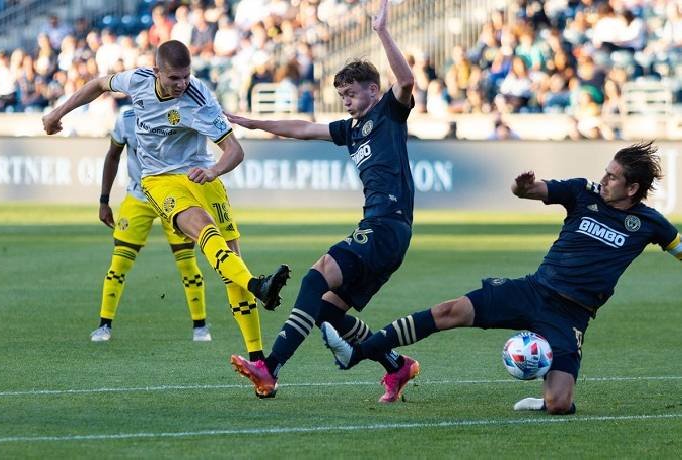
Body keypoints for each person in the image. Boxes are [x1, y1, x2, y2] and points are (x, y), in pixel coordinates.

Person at [322, 142, 681, 412]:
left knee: (559, 404)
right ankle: (356, 354)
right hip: (533, 290)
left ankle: (542, 399)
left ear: (632, 188)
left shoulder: (650, 224)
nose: (603, 180)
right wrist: (521, 187)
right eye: (606, 172)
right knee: (450, 311)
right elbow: (531, 190)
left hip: (571, 315)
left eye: (612, 177)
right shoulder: (580, 192)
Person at [42, 40, 290, 362]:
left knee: (232, 267)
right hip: (159, 181)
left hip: (202, 176)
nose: (181, 84)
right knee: (203, 230)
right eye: (174, 78)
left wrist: (214, 171)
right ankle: (258, 288)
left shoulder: (199, 99)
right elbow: (97, 85)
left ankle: (260, 365)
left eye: (186, 76)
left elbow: (235, 151)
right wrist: (57, 113)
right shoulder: (137, 81)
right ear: (157, 70)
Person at [228, 0, 419, 402]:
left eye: (351, 94)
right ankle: (396, 366)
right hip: (385, 231)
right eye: (343, 96)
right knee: (328, 310)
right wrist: (255, 122)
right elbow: (302, 128)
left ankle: (270, 367)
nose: (347, 101)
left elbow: (405, 81)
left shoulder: (389, 112)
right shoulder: (350, 130)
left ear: (372, 89)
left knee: (317, 276)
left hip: (386, 224)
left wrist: (382, 31)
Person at [90, 107, 211, 342]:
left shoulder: (178, 113)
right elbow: (112, 155)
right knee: (119, 262)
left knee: (187, 263)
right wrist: (104, 200)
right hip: (138, 196)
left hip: (173, 198)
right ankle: (104, 325)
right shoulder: (126, 119)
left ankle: (200, 326)